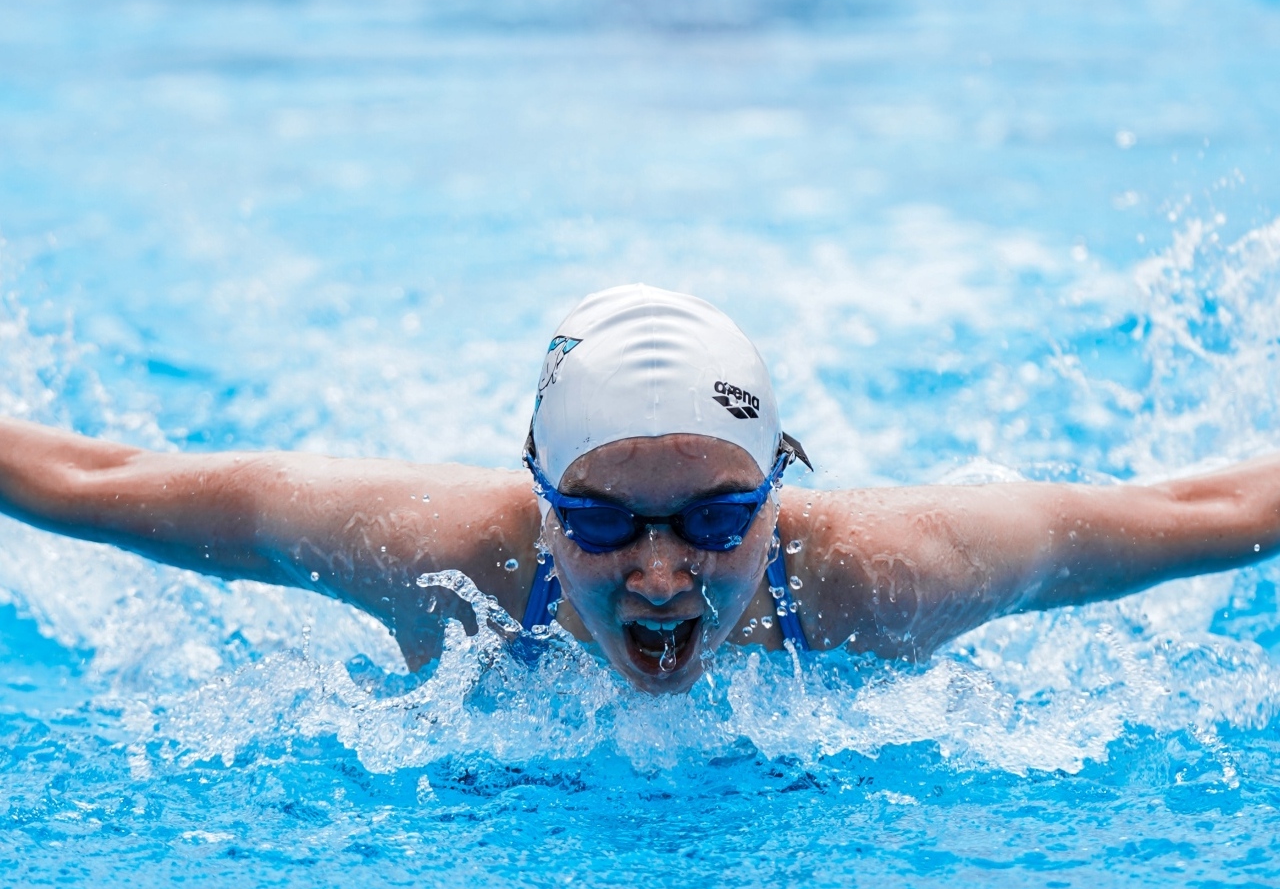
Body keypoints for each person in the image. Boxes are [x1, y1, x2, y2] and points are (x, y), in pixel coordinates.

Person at [1, 284, 1278, 695]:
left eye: (719, 519)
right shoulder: (440, 561)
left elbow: (1201, 513)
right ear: (540, 495)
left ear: (780, 491)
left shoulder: (892, 575)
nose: (663, 572)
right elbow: (98, 476)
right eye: (604, 522)